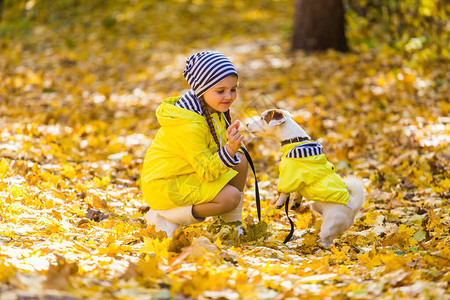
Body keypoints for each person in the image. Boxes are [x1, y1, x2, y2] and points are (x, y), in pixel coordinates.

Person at [141, 50, 248, 237]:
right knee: (230, 197)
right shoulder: (189, 124)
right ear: (202, 90)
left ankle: (230, 226)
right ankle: (168, 215)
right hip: (165, 184)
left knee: (241, 161)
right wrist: (229, 149)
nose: (229, 96)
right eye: (220, 91)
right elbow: (207, 170)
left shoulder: (212, 109)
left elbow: (214, 153)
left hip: (187, 173)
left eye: (233, 89)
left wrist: (232, 145)